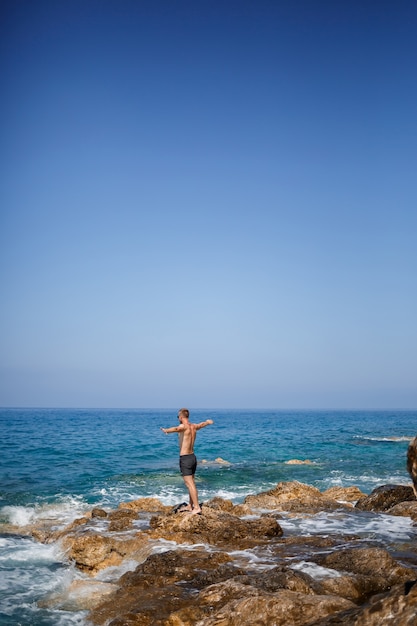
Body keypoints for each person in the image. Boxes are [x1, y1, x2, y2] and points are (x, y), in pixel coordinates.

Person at [161, 408, 213, 515]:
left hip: (185, 458)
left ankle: (197, 507)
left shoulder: (183, 426)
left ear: (181, 417)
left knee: (189, 484)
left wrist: (166, 430)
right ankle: (190, 505)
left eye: (178, 417)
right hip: (193, 457)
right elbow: (201, 425)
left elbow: (176, 428)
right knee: (192, 483)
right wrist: (208, 422)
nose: (178, 419)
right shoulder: (193, 426)